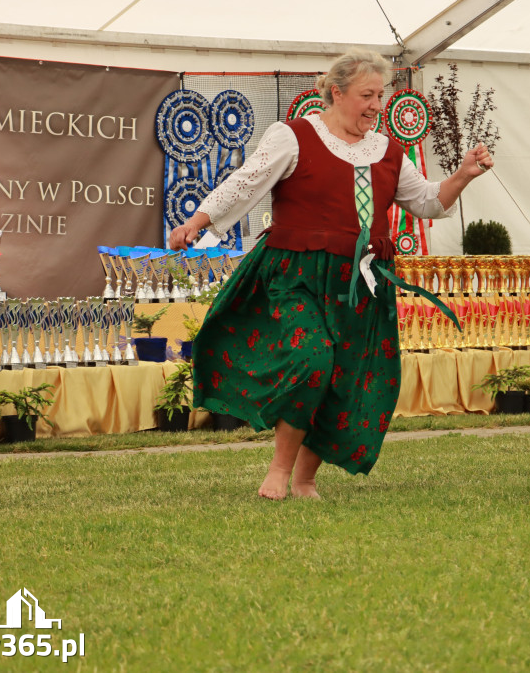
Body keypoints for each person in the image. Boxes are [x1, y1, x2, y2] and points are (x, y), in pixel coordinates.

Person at [167, 49, 493, 500]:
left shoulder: (388, 151)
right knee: (312, 359)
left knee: (344, 374)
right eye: (367, 95)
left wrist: (463, 175)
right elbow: (244, 183)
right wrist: (195, 223)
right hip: (297, 272)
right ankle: (279, 472)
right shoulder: (293, 136)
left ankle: (304, 479)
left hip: (362, 282)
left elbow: (427, 203)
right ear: (336, 93)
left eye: (381, 95)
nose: (377, 106)